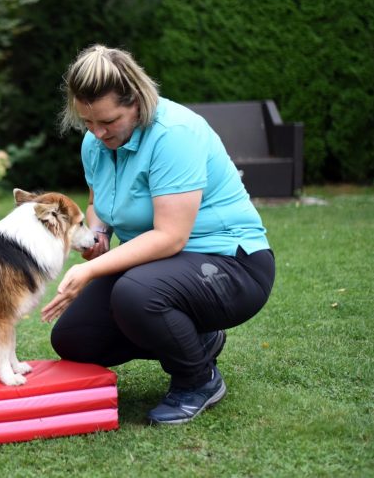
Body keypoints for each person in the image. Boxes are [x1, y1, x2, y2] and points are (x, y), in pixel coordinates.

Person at [41, 44, 275, 425]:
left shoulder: (174, 134)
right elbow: (99, 202)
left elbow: (171, 237)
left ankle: (197, 381)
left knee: (136, 295)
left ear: (136, 101)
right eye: (88, 122)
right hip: (158, 269)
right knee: (74, 339)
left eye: (108, 121)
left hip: (231, 265)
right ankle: (200, 340)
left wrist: (89, 272)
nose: (98, 133)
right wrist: (98, 234)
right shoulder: (96, 143)